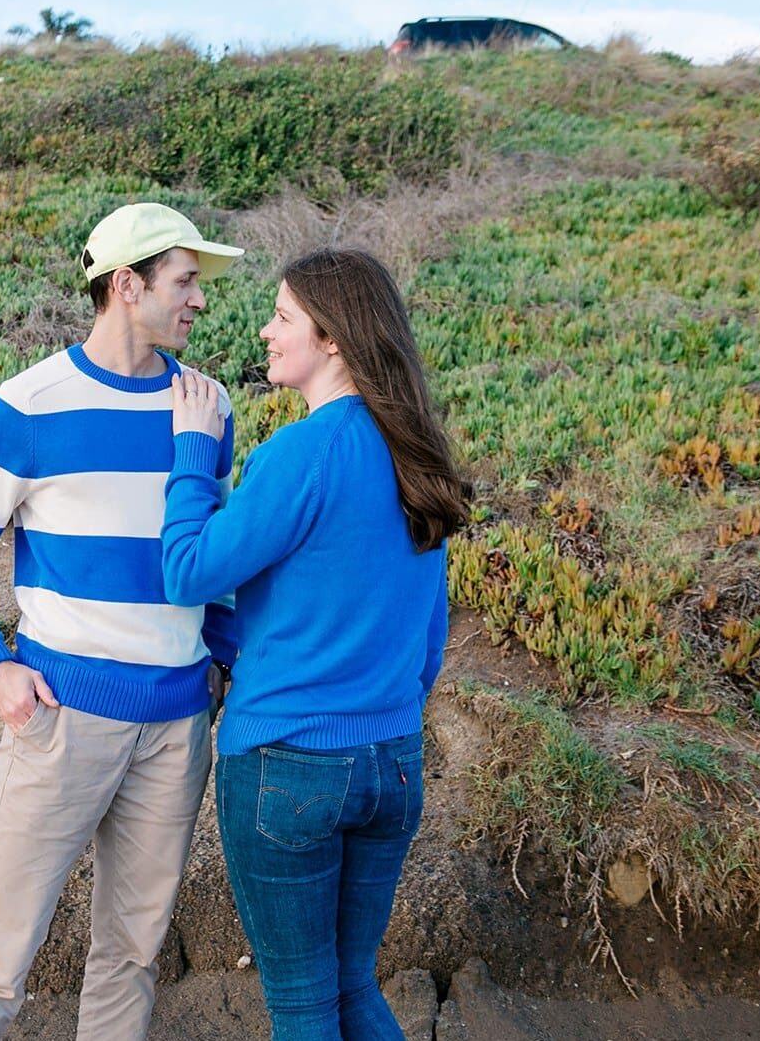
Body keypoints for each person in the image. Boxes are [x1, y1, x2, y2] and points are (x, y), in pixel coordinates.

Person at [0, 202, 244, 1040]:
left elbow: (208, 560)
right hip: (62, 717)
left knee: (132, 957)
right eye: (185, 281)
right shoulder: (30, 403)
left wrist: (220, 664)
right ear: (126, 286)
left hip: (178, 726)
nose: (199, 301)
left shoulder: (205, 410)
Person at [162, 247, 470, 1040]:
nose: (265, 331)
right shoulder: (414, 451)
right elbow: (430, 638)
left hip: (288, 762)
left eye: (282, 316)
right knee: (351, 990)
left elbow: (189, 570)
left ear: (332, 338)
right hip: (393, 764)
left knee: (302, 1007)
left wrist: (194, 455)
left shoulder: (300, 454)